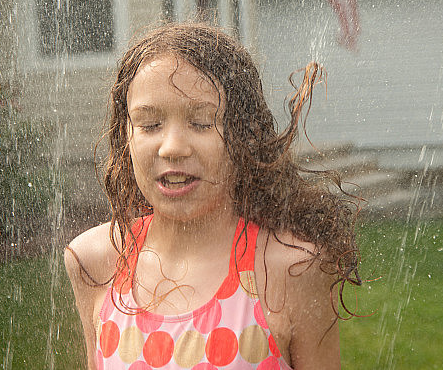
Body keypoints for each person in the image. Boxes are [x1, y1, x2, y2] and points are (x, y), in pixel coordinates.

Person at [65, 23, 359, 370]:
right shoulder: (94, 261)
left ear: (242, 136)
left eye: (202, 122)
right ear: (125, 135)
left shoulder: (290, 268)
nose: (172, 147)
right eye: (149, 124)